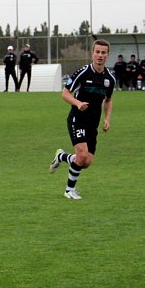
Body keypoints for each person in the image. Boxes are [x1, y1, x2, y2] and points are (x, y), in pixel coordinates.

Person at [49, 39, 115, 200]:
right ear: (92, 53)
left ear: (107, 55)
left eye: (103, 52)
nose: (100, 55)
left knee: (86, 162)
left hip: (93, 122)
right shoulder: (83, 72)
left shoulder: (110, 79)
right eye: (97, 52)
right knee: (82, 155)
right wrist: (78, 103)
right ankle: (69, 190)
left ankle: (61, 156)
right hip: (77, 118)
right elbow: (65, 93)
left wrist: (107, 119)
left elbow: (108, 100)